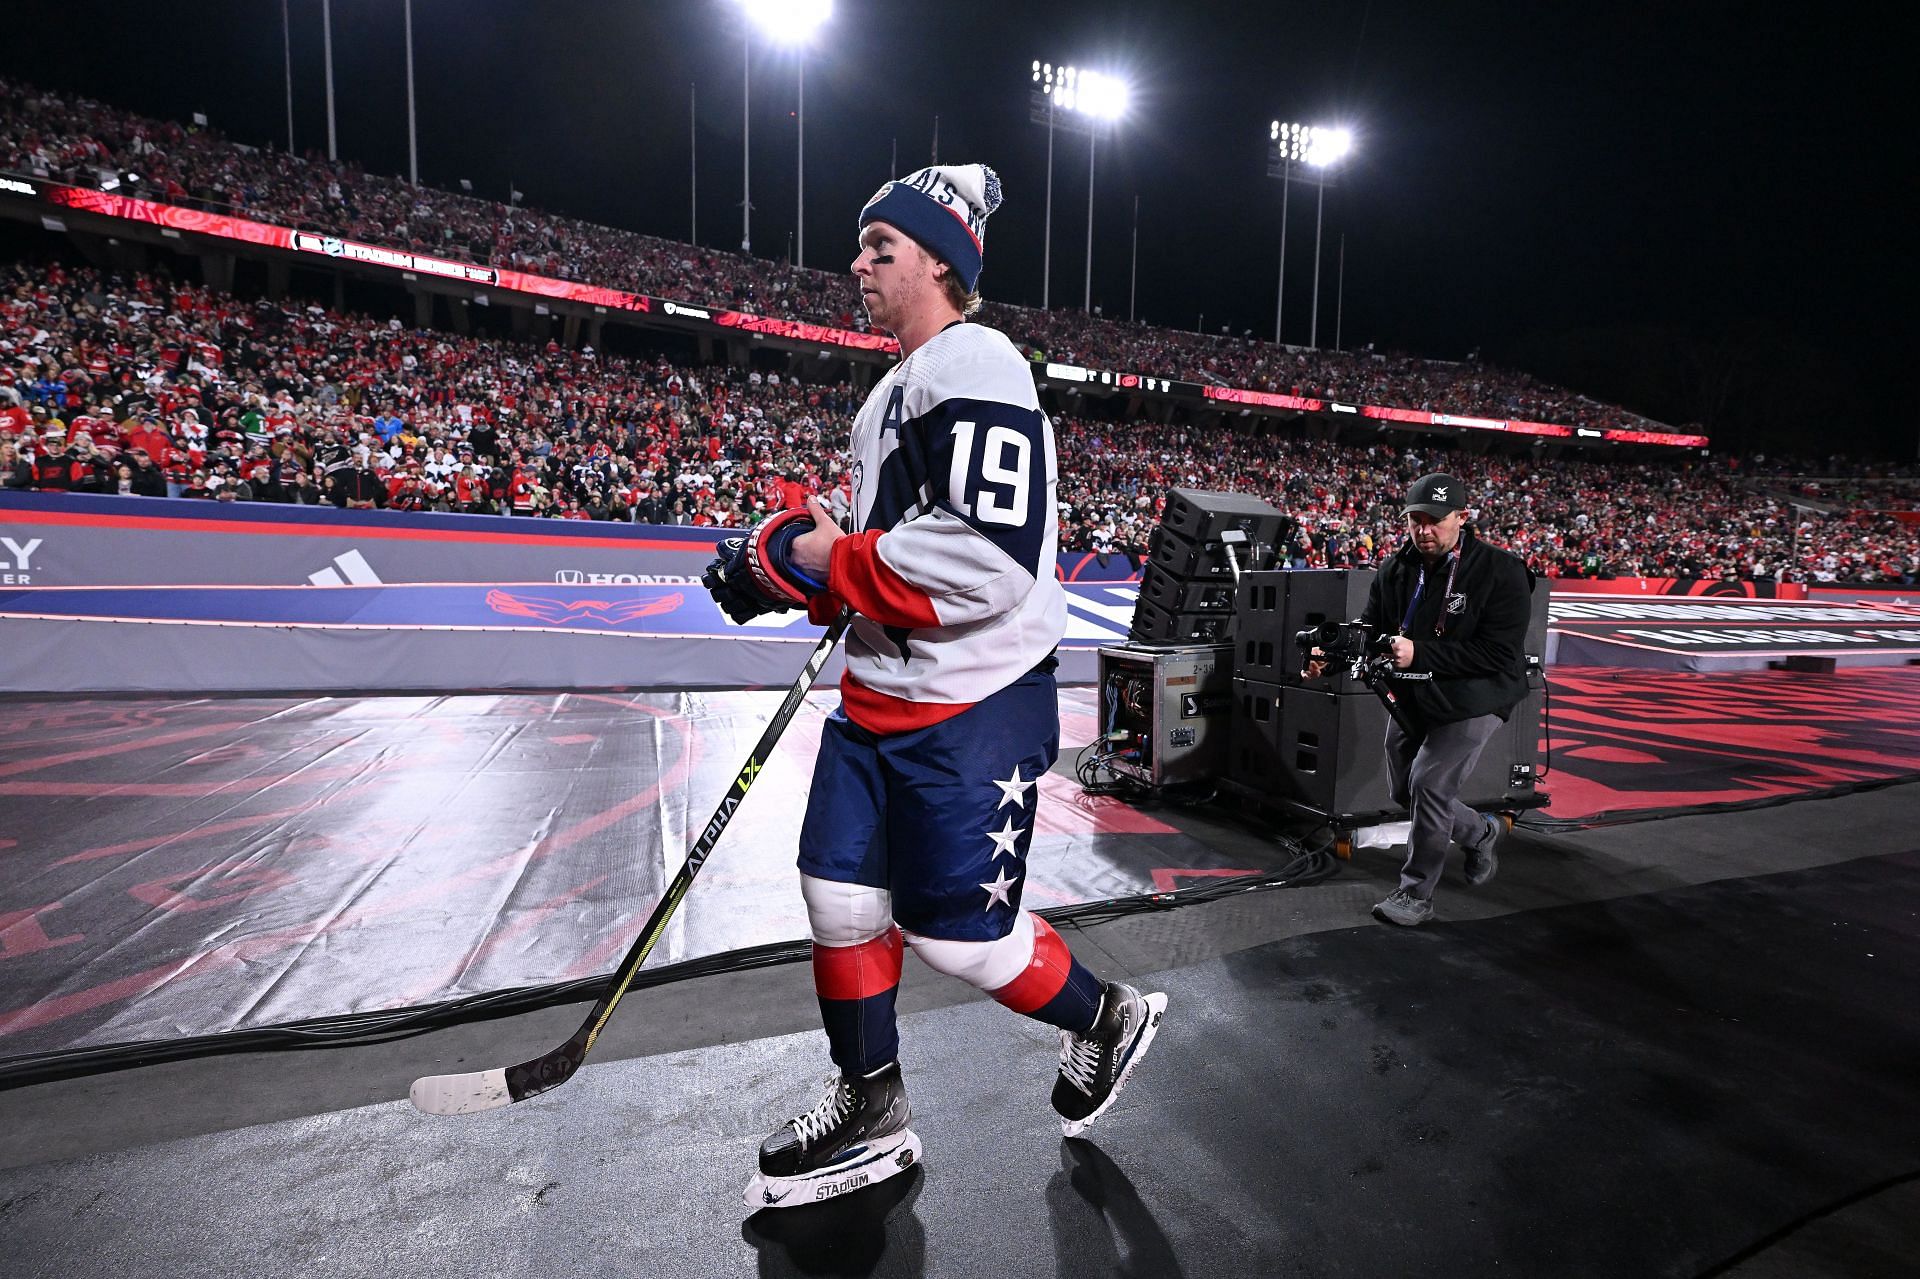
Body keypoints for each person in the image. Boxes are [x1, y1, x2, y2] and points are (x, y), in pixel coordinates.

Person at [704, 164, 1167, 1209]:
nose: (856, 264)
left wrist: (821, 560)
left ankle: (1105, 1017)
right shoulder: (892, 390)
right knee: (837, 893)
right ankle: (871, 1103)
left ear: (941, 263)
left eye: (881, 248)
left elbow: (983, 557)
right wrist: (792, 566)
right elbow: (886, 552)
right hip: (881, 696)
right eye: (861, 245)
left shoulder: (980, 362)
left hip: (971, 704)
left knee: (959, 935)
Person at [1312, 473, 1532, 926]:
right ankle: (1480, 832)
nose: (1423, 530)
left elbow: (1499, 654)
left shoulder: (1501, 570)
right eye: (1415, 520)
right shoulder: (1395, 569)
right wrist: (1327, 658)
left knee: (1429, 785)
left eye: (1435, 520)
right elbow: (1370, 631)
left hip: (1477, 694)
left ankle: (1416, 894)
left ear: (1462, 518)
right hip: (1416, 691)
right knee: (1403, 790)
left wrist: (1421, 650)